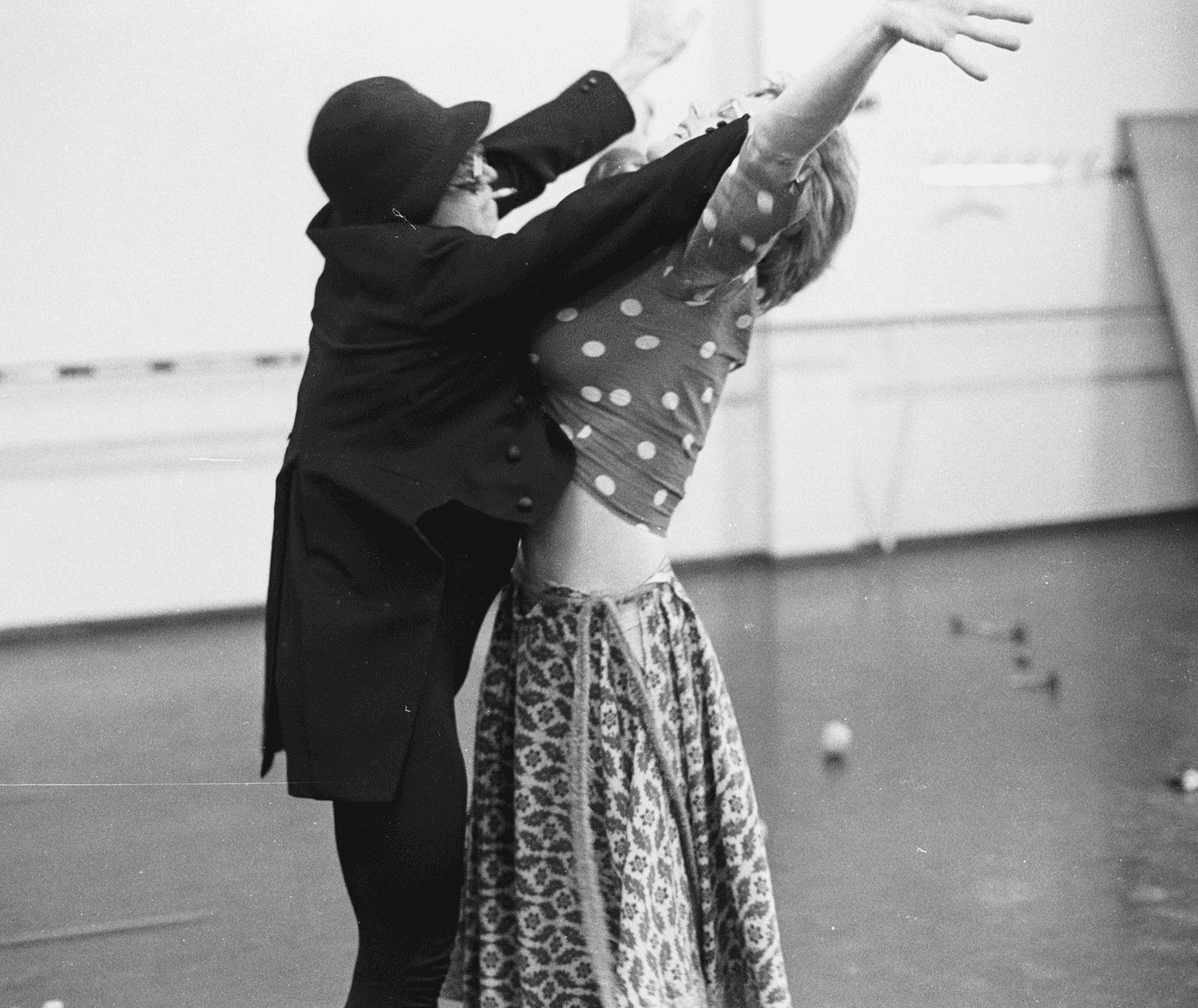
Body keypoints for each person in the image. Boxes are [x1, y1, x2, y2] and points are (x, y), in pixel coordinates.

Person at [445, 2, 1034, 1006]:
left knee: (617, 939)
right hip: (549, 637)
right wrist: (640, 65)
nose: (710, 127)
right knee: (557, 938)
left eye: (740, 117)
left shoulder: (707, 268)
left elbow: (778, 147)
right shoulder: (634, 253)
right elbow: (559, 168)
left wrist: (878, 29)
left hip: (605, 642)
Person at [256, 3, 778, 1007]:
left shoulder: (386, 239)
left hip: (378, 654)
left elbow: (514, 159)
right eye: (456, 175)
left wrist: (639, 65)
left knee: (414, 938)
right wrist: (753, 135)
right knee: (412, 942)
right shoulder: (433, 278)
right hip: (374, 683)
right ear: (412, 205)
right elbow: (582, 230)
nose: (482, 178)